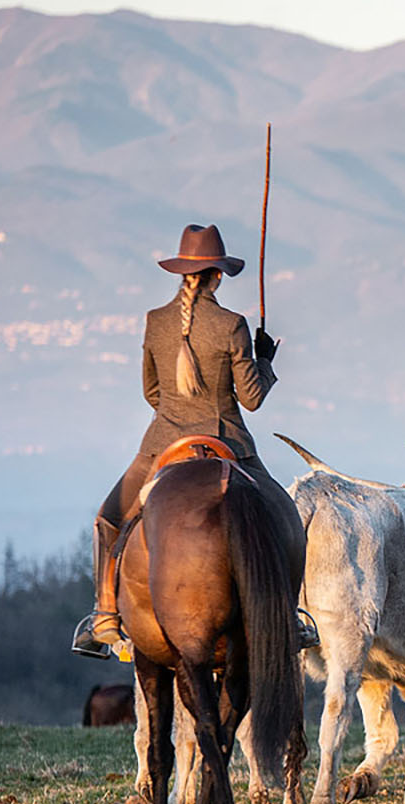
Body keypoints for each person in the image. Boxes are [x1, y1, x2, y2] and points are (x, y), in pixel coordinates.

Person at [70, 223, 308, 658]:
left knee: (107, 519)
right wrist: (265, 362)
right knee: (282, 515)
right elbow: (251, 399)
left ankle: (104, 615)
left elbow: (151, 392)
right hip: (228, 442)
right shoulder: (232, 325)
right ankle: (289, 616)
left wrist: (176, 414)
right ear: (218, 276)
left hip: (162, 442)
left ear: (183, 273)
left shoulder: (156, 321)